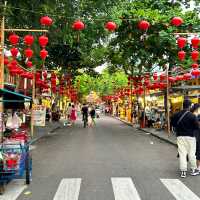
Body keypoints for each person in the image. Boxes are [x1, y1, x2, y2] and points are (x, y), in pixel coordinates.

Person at [171, 99, 200, 178]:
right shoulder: (192, 116)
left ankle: (183, 171)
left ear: (182, 105)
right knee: (191, 154)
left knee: (182, 154)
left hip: (180, 137)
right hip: (190, 137)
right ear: (190, 106)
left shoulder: (176, 114)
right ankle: (193, 170)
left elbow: (173, 124)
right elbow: (197, 127)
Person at [191, 104, 200, 171]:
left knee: (196, 152)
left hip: (195, 136)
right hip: (196, 136)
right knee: (197, 152)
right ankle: (197, 167)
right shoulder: (194, 116)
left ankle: (196, 167)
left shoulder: (195, 116)